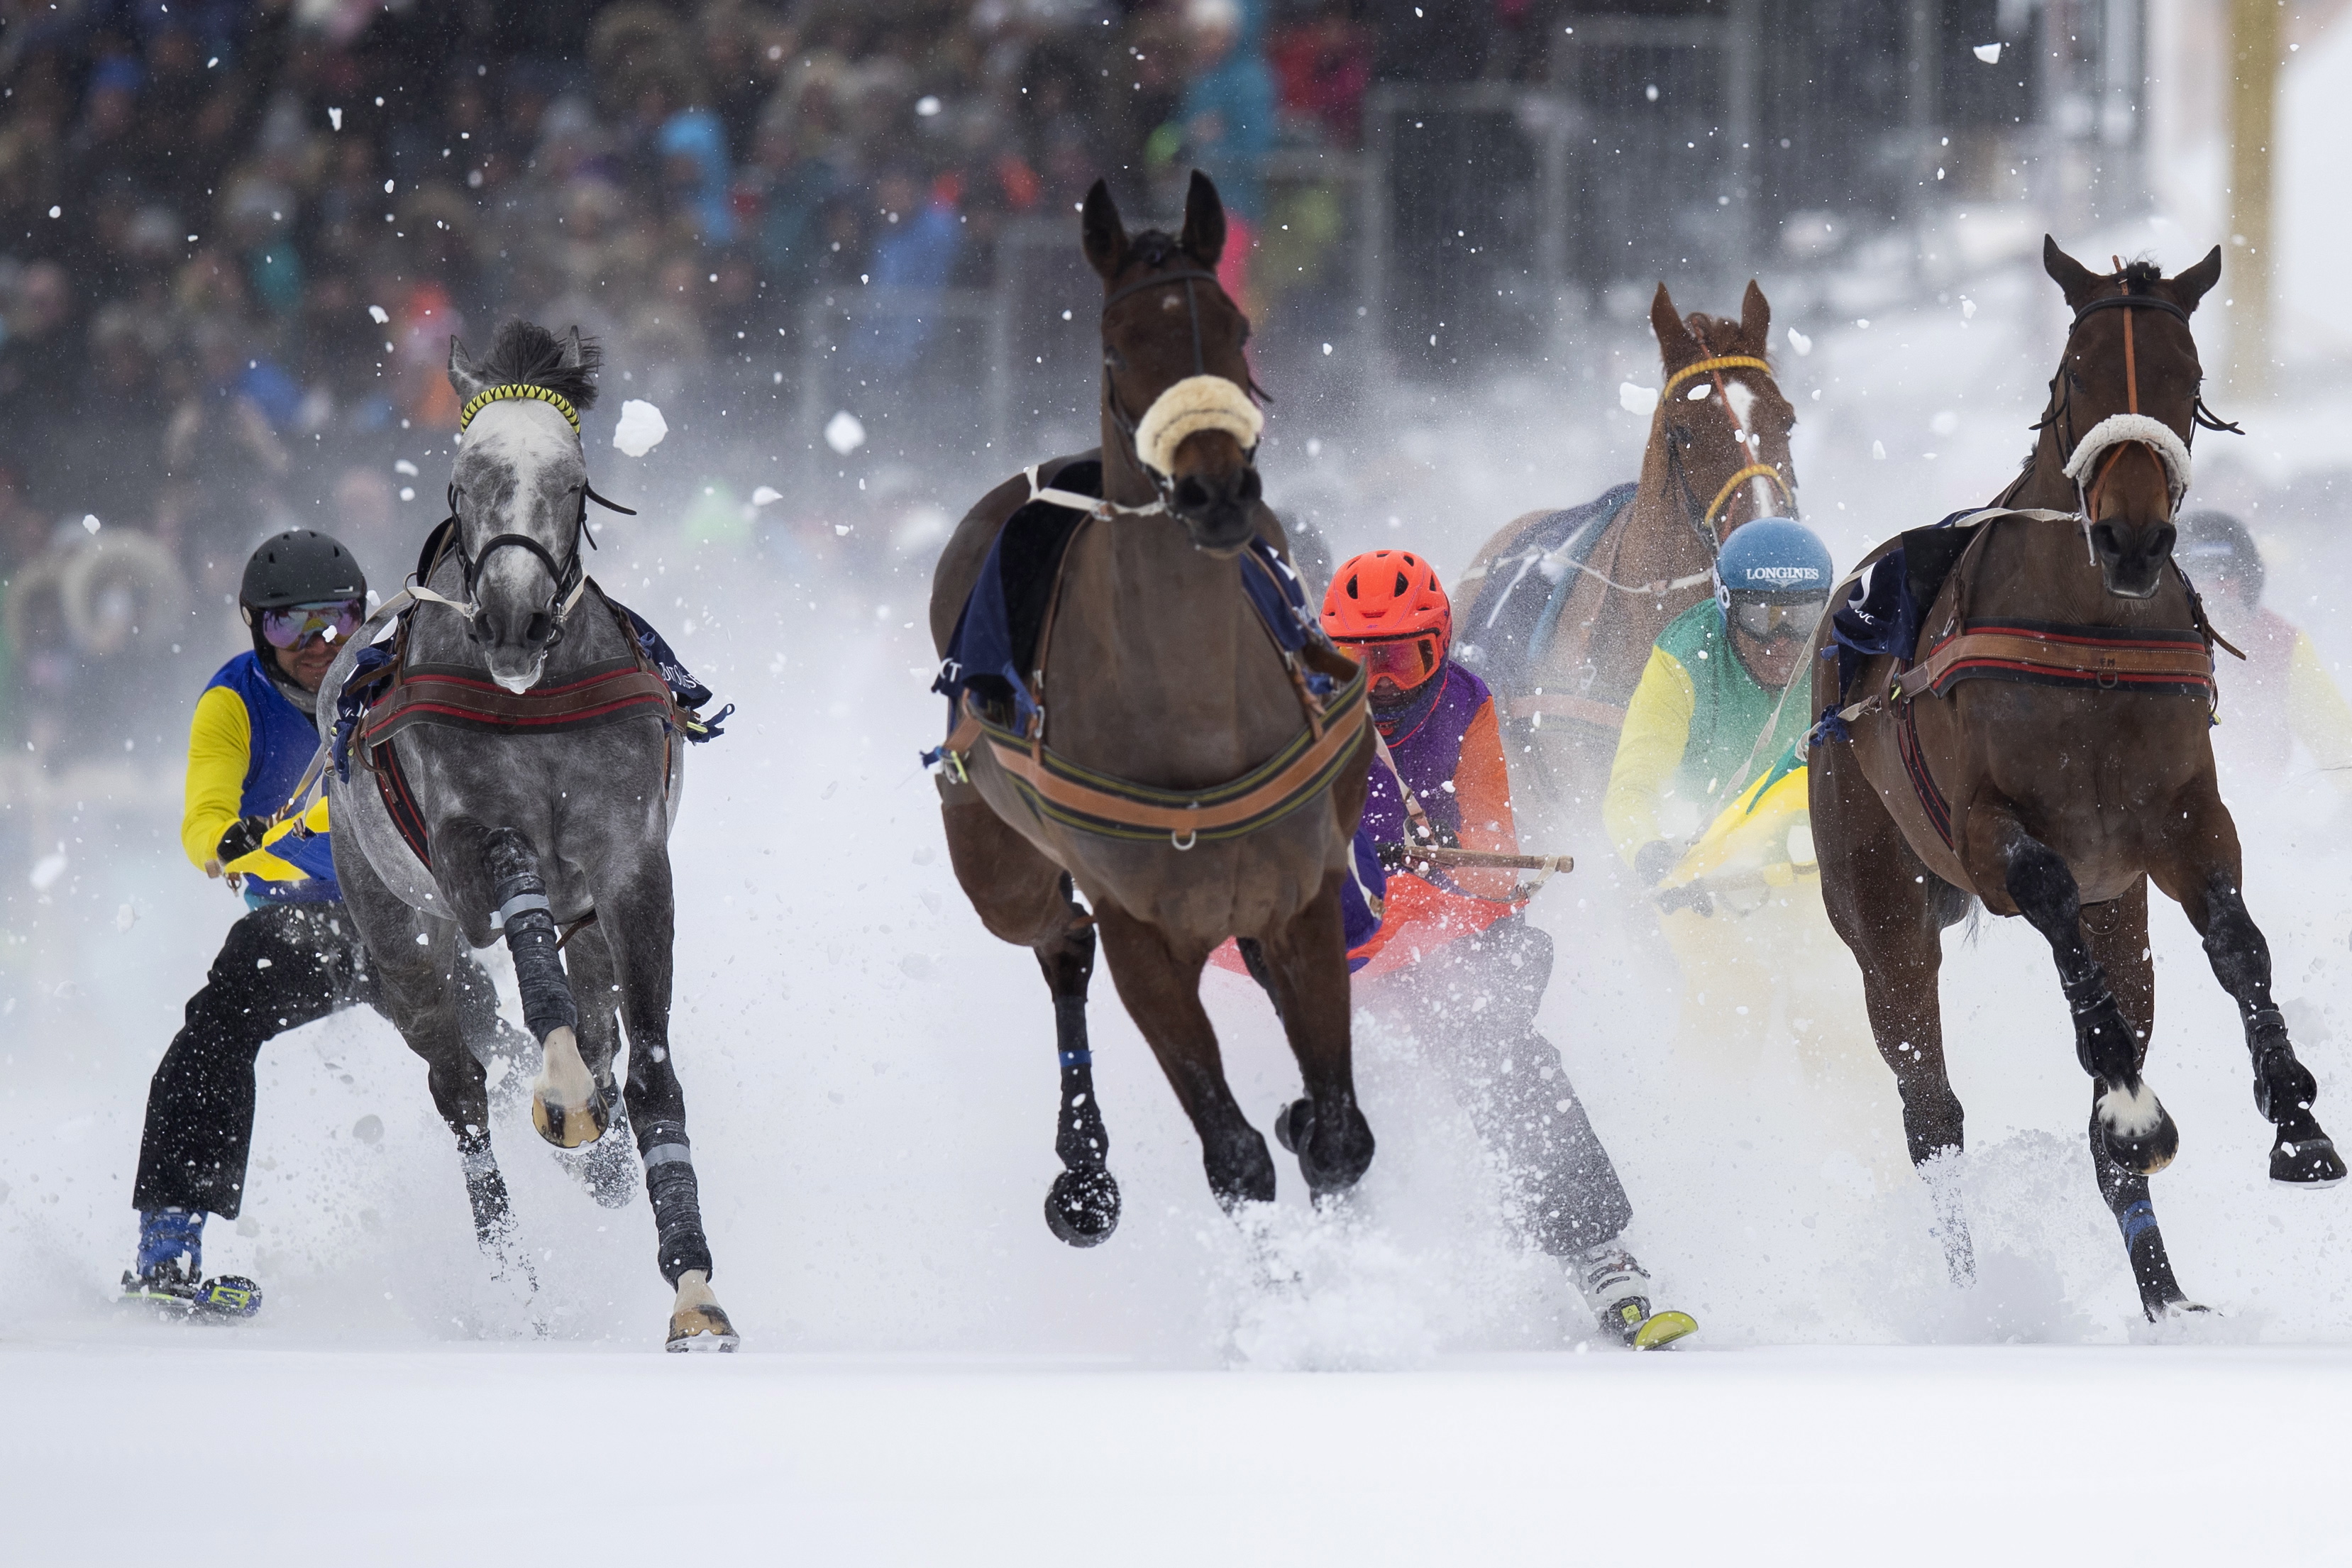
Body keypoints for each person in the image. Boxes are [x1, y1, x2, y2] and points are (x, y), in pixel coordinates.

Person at [122, 529, 518, 1315]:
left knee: (495, 1051)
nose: (318, 645)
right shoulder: (233, 701)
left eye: (337, 620)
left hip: (405, 921)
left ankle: (583, 1155)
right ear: (253, 627)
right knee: (213, 1034)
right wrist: (226, 841)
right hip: (300, 927)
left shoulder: (392, 684)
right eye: (288, 626)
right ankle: (168, 1243)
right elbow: (204, 812)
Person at [1319, 548, 1697, 1349]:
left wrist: (1431, 866)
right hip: (1330, 948)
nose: (1378, 682)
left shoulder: (1466, 704)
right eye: (1357, 659)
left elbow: (1493, 845)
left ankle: (1597, 1251)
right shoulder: (1301, 709)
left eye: (1399, 658)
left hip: (1435, 936)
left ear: (1440, 645)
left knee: (1508, 1056)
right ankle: (1319, 1263)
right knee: (1322, 1086)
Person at [1601, 519, 1891, 1153]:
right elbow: (1629, 790)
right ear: (1725, 607)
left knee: (1834, 1004)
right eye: (1760, 618)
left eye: (1801, 617)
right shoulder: (1680, 660)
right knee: (1734, 991)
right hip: (1702, 873)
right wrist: (1652, 853)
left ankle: (1862, 1164)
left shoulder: (1845, 654)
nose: (1780, 641)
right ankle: (1701, 1152)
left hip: (1809, 868)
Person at [2175, 509, 2352, 795]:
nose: (2213, 593)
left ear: (2248, 581)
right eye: (2199, 578)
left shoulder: (2282, 646)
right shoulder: (2154, 647)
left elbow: (2341, 749)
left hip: (2258, 815)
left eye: (2225, 577)